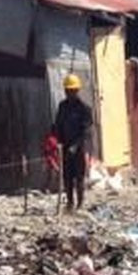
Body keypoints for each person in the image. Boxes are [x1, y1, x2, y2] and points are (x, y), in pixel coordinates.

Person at [53, 73, 93, 212]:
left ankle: (80, 203)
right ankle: (70, 203)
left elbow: (86, 131)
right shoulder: (62, 106)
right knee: (67, 177)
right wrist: (57, 141)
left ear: (77, 91)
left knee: (79, 177)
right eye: (67, 90)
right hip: (64, 148)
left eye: (72, 90)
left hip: (79, 148)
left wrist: (75, 146)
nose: (69, 93)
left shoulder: (84, 109)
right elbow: (57, 125)